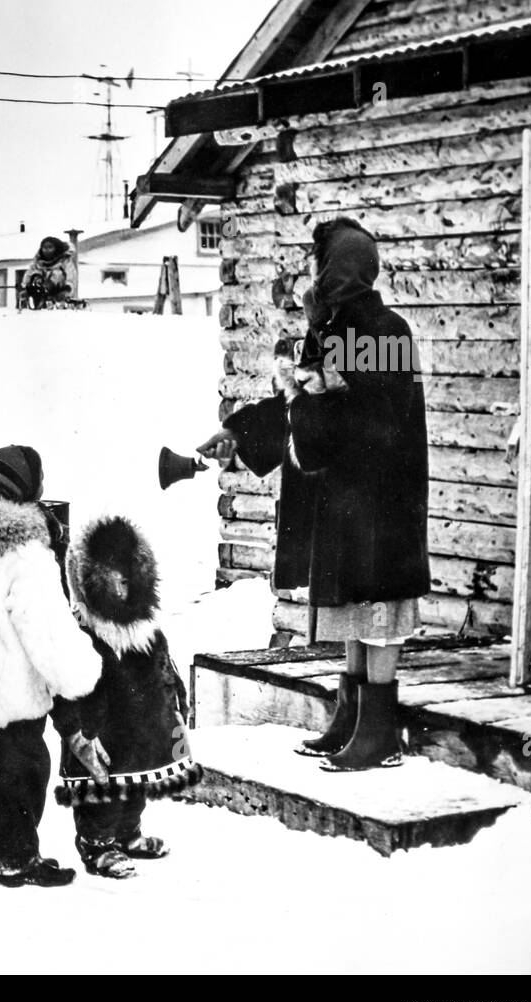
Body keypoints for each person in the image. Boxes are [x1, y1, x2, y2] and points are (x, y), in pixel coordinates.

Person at [197, 217, 430, 771]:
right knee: (353, 603)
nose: (316, 277)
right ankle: (351, 716)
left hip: (381, 496)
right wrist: (242, 432)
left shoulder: (384, 334)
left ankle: (379, 730)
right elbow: (302, 405)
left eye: (323, 266)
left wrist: (312, 404)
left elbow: (373, 416)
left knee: (379, 605)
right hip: (347, 494)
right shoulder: (332, 329)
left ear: (340, 271)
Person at [0, 445, 101, 887]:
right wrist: (78, 672)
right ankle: (19, 859)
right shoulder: (27, 556)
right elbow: (45, 631)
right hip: (19, 690)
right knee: (26, 771)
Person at [50, 515, 203, 877]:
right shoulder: (85, 632)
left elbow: (163, 664)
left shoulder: (144, 627)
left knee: (137, 782)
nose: (122, 587)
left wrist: (175, 699)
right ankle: (97, 844)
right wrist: (77, 730)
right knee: (102, 788)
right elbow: (67, 686)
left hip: (142, 723)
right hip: (99, 726)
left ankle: (128, 834)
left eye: (127, 577)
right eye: (114, 579)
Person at [20, 235, 76, 308]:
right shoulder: (38, 263)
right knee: (36, 273)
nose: (47, 250)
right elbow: (28, 275)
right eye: (44, 248)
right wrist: (25, 288)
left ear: (56, 249)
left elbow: (71, 277)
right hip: (40, 292)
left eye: (50, 247)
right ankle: (38, 293)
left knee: (57, 274)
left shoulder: (65, 262)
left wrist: (67, 290)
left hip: (58, 293)